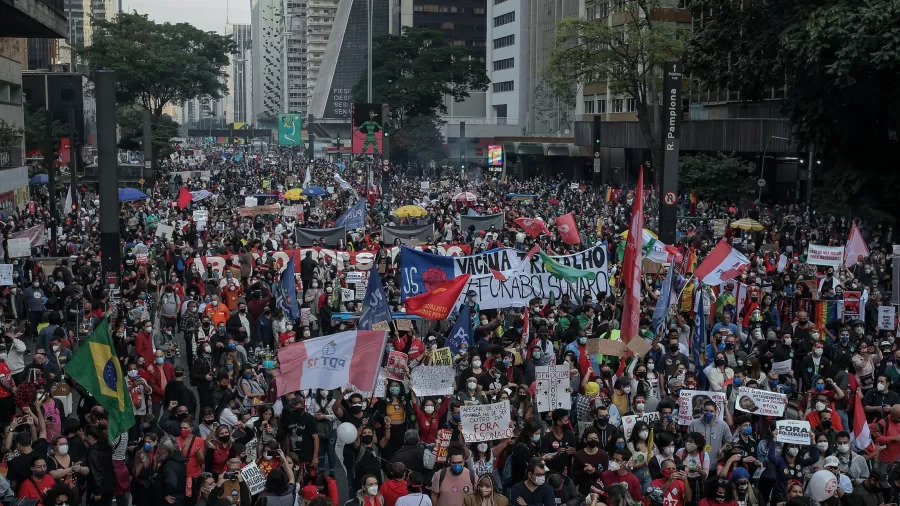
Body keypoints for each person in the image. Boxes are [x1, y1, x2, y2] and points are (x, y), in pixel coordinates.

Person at [686, 401, 731, 470]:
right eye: (706, 411)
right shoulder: (694, 424)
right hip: (697, 465)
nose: (708, 413)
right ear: (702, 411)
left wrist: (723, 449)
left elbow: (729, 441)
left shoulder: (723, 425)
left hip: (715, 464)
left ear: (716, 412)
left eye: (711, 411)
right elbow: (687, 442)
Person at [83, 424, 115, 506]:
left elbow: (96, 473)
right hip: (109, 487)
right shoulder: (105, 447)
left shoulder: (93, 452)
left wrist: (98, 492)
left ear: (90, 437)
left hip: (99, 490)